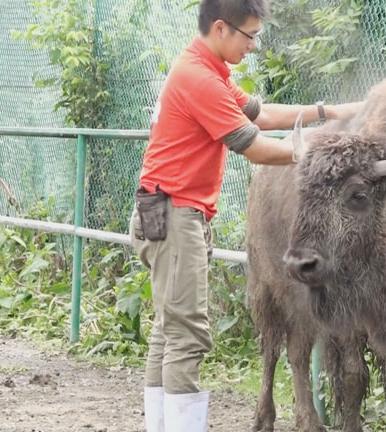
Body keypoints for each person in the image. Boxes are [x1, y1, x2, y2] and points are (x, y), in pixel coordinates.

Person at [128, 0, 362, 431]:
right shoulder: (200, 79)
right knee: (188, 334)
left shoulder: (204, 69)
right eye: (249, 35)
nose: (253, 46)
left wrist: (336, 113)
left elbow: (266, 114)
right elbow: (253, 146)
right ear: (222, 28)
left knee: (168, 329)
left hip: (162, 210)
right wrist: (321, 150)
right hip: (175, 215)